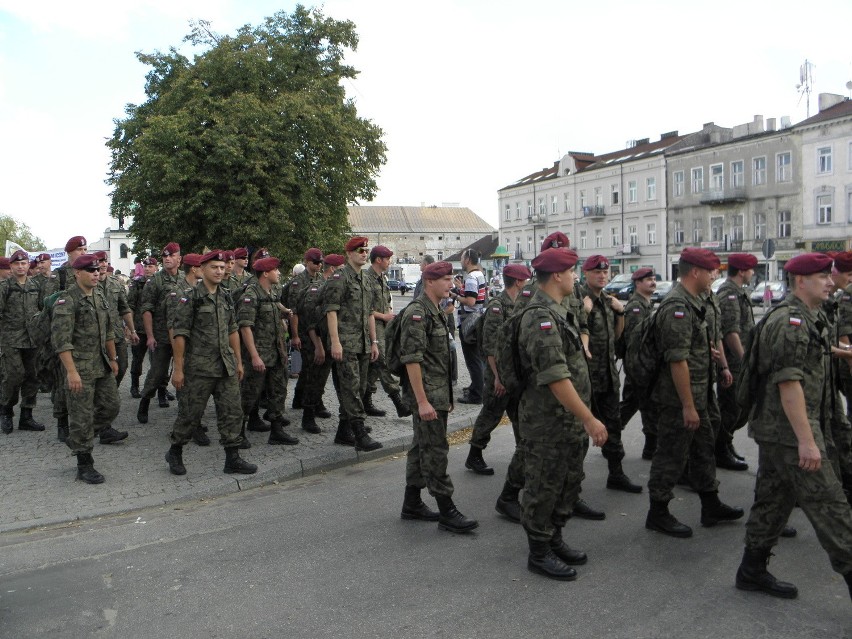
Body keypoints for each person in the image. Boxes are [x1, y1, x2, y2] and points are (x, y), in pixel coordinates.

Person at [735, 252, 852, 602]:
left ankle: (751, 571)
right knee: (832, 509)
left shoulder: (808, 317)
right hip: (790, 433)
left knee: (774, 500)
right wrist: (807, 441)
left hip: (781, 431)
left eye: (830, 276)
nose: (831, 282)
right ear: (801, 282)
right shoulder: (790, 322)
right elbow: (789, 384)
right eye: (822, 277)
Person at [516, 248, 608, 580]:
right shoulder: (540, 317)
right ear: (557, 275)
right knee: (544, 485)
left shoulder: (558, 312)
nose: (575, 278)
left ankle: (553, 537)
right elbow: (555, 376)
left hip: (565, 420)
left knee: (567, 482)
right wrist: (589, 418)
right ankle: (539, 551)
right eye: (571, 272)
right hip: (548, 422)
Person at [646, 248, 743, 538]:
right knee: (671, 454)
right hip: (679, 398)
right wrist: (688, 406)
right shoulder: (677, 306)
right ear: (695, 272)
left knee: (703, 449)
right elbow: (677, 361)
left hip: (701, 390)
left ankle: (710, 504)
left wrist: (721, 365)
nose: (716, 275)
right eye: (712, 270)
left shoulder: (699, 300)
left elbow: (705, 341)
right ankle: (658, 512)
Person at [398, 260, 478, 533]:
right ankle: (447, 510)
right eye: (445, 279)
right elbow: (412, 360)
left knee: (421, 447)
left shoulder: (437, 312)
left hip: (437, 392)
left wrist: (447, 396)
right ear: (429, 281)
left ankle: (411, 504)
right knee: (435, 450)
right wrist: (422, 401)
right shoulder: (417, 313)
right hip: (427, 395)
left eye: (452, 279)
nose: (451, 284)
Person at [164, 250, 257, 476]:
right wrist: (178, 369)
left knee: (232, 412)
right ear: (202, 269)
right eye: (214, 267)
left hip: (225, 366)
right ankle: (175, 451)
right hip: (199, 368)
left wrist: (238, 360)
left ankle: (232, 458)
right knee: (190, 414)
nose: (219, 271)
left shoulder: (225, 296)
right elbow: (179, 335)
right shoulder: (190, 298)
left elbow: (232, 329)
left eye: (222, 267)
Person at [51, 254, 120, 484]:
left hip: (101, 363)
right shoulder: (66, 300)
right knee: (81, 416)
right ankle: (84, 464)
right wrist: (71, 372)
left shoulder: (99, 295)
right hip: (79, 367)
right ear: (77, 274)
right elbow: (62, 341)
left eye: (97, 271)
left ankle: (80, 438)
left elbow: (108, 332)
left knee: (111, 406)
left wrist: (113, 358)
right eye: (91, 271)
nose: (96, 274)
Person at [579, 255, 642, 493]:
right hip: (585, 380)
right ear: (586, 273)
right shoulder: (578, 299)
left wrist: (622, 313)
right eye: (597, 272)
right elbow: (575, 334)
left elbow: (616, 338)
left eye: (605, 272)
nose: (602, 276)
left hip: (607, 376)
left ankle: (616, 474)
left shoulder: (607, 300)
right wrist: (584, 311)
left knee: (613, 428)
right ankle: (572, 489)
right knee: (579, 435)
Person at [465, 263, 531, 480]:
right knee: (492, 413)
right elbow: (490, 347)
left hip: (515, 373)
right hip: (499, 374)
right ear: (519, 281)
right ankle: (474, 454)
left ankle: (524, 455)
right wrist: (497, 378)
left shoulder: (521, 304)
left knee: (519, 415)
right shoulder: (497, 306)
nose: (528, 283)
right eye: (526, 280)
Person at [324, 237, 383, 451]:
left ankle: (343, 431)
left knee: (359, 386)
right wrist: (335, 342)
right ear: (348, 253)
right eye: (359, 250)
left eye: (366, 250)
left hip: (364, 344)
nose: (364, 254)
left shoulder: (366, 279)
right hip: (346, 343)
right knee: (350, 388)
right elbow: (331, 311)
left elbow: (369, 313)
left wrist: (374, 341)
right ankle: (359, 434)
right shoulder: (340, 278)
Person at [238, 256, 299, 446]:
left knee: (278, 392)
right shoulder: (251, 294)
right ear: (265, 273)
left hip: (276, 352)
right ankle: (238, 432)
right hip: (259, 355)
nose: (279, 273)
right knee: (249, 394)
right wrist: (254, 356)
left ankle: (276, 430)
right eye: (275, 270)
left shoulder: (270, 293)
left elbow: (274, 306)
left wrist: (285, 311)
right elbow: (245, 326)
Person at [715, 253, 757, 469]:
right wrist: (744, 361)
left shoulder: (738, 292)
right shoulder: (729, 294)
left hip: (739, 362)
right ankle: (719, 450)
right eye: (750, 269)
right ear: (741, 271)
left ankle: (725, 444)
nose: (752, 273)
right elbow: (730, 333)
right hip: (734, 362)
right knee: (731, 408)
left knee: (738, 410)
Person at [0, 250, 45, 434]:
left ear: (28, 265)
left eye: (24, 263)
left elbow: (42, 310)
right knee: (13, 375)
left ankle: (27, 415)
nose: (20, 266)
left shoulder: (35, 285)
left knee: (32, 375)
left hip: (33, 338)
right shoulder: (5, 287)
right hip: (11, 338)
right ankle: (6, 411)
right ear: (11, 266)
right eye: (17, 264)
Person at [298, 254, 345, 433]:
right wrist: (318, 345)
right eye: (340, 268)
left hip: (334, 341)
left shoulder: (335, 287)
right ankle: (308, 416)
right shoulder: (317, 289)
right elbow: (310, 320)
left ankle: (349, 419)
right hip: (318, 342)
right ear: (332, 269)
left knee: (342, 381)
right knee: (316, 380)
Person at [137, 242, 181, 422]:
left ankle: (185, 409)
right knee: (157, 372)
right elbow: (147, 309)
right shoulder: (155, 281)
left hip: (180, 335)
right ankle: (145, 402)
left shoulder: (185, 279)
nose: (168, 259)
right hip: (161, 335)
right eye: (165, 257)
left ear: (179, 258)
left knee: (181, 370)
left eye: (171, 256)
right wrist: (150, 336)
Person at [618, 268, 659, 459]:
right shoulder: (636, 306)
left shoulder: (646, 304)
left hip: (643, 364)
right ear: (637, 283)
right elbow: (635, 340)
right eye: (648, 279)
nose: (652, 282)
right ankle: (649, 447)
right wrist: (641, 368)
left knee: (633, 403)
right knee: (644, 405)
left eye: (653, 279)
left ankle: (649, 446)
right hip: (639, 366)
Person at [366, 245, 410, 418]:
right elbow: (366, 309)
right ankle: (398, 403)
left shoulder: (381, 278)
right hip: (372, 326)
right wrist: (383, 316)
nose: (390, 262)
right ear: (379, 260)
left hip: (384, 326)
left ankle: (366, 401)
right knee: (383, 363)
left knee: (374, 368)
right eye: (388, 258)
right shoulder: (367, 279)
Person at [285, 248, 324, 410]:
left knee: (311, 367)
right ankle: (310, 402)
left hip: (316, 329)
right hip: (302, 330)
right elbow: (293, 311)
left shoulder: (321, 279)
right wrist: (294, 336)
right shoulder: (298, 282)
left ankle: (301, 399)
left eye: (321, 262)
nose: (319, 265)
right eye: (316, 262)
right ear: (307, 262)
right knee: (310, 367)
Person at [452, 248, 487, 405]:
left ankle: (476, 394)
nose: (460, 261)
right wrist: (462, 289)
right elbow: (476, 297)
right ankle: (476, 386)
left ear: (467, 260)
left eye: (462, 258)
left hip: (469, 323)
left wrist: (455, 295)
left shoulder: (472, 277)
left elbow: (471, 302)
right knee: (477, 358)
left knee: (472, 360)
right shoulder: (480, 275)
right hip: (478, 321)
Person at [128, 257, 158, 398]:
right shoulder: (137, 284)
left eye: (150, 266)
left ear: (156, 268)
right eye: (145, 266)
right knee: (137, 359)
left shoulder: (160, 282)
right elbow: (131, 306)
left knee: (158, 361)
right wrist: (130, 327)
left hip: (156, 328)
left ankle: (160, 389)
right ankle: (134, 386)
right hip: (140, 328)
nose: (147, 269)